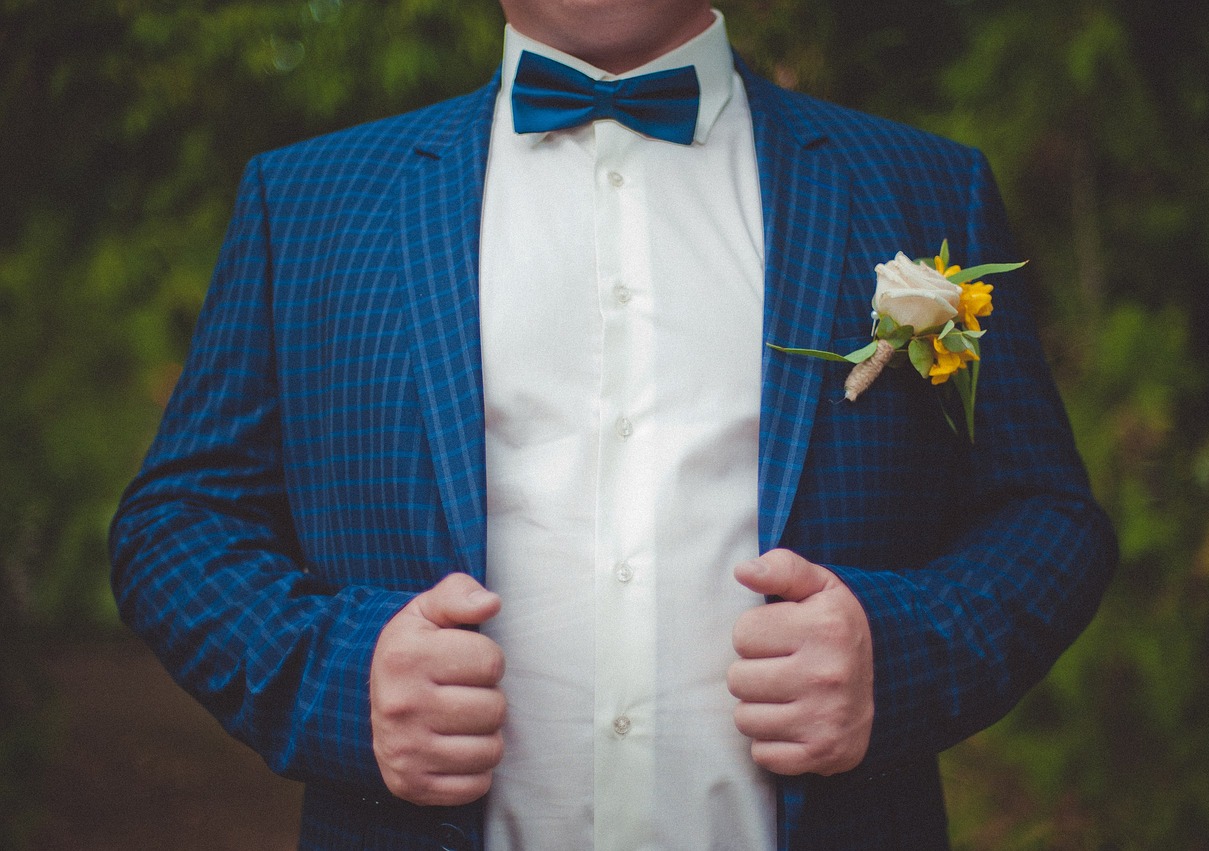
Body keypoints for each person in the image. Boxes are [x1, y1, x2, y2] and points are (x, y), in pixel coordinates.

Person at [109, 1, 1116, 849]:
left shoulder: (919, 185)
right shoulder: (310, 204)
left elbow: (1045, 516)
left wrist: (898, 657)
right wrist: (338, 677)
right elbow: (177, 520)